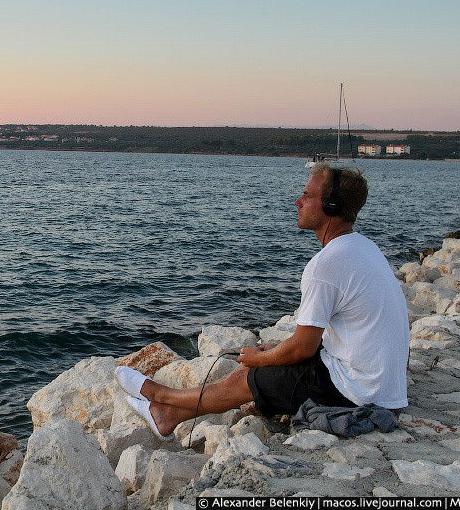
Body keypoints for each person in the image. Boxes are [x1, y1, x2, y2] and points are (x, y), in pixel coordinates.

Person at [116, 163, 410, 439]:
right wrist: (276, 352)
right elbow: (339, 334)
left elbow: (302, 348)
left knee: (246, 377)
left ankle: (160, 397)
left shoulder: (326, 265)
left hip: (358, 393)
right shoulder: (363, 247)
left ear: (330, 207)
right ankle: (166, 416)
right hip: (383, 386)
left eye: (307, 196)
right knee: (264, 365)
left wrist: (262, 358)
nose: (298, 202)